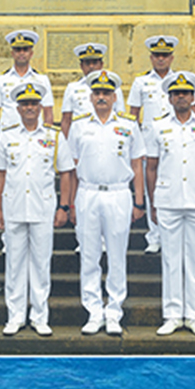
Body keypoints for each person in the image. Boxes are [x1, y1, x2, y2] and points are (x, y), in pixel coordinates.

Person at [67, 70, 146, 336]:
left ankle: (114, 312)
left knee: (116, 255)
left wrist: (139, 200)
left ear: (114, 97)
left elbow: (137, 163)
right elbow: (71, 165)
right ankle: (93, 311)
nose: (101, 97)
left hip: (118, 194)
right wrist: (71, 203)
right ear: (90, 96)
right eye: (97, 93)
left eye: (106, 93)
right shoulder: (79, 126)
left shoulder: (128, 125)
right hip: (88, 193)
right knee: (89, 255)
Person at [145, 72, 195, 337]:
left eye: (186, 93)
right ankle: (172, 314)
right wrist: (153, 202)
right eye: (177, 93)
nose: (182, 97)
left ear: (193, 97)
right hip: (168, 200)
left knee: (194, 260)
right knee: (170, 260)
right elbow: (151, 167)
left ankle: (192, 314)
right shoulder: (157, 126)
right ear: (169, 98)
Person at [0, 82, 74, 336]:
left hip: (43, 208)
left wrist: (64, 207)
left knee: (41, 264)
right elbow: (0, 175)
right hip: (14, 207)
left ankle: (40, 316)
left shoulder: (54, 136)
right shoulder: (6, 136)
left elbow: (67, 174)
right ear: (17, 108)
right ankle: (15, 316)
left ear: (40, 107)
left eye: (33, 103)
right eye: (24, 103)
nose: (29, 108)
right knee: (14, 265)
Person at [60, 42, 126, 254]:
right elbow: (67, 120)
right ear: (81, 65)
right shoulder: (73, 88)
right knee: (83, 196)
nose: (91, 67)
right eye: (87, 63)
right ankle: (84, 240)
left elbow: (122, 119)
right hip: (82, 145)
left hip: (109, 146)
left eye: (95, 62)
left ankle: (107, 242)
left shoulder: (114, 88)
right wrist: (66, 151)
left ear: (102, 63)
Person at [128, 35, 178, 254]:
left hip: (174, 143)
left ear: (171, 57)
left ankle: (171, 234)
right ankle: (154, 235)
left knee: (173, 188)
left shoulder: (180, 81)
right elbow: (133, 116)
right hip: (149, 144)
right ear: (151, 57)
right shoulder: (141, 82)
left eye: (165, 55)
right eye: (157, 55)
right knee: (152, 191)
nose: (161, 59)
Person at [0, 30, 54, 146]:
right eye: (18, 50)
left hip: (35, 137)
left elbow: (48, 112)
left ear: (31, 53)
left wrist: (47, 139)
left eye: (25, 50)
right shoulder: (0, 80)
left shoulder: (42, 80)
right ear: (12, 53)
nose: (21, 53)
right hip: (8, 138)